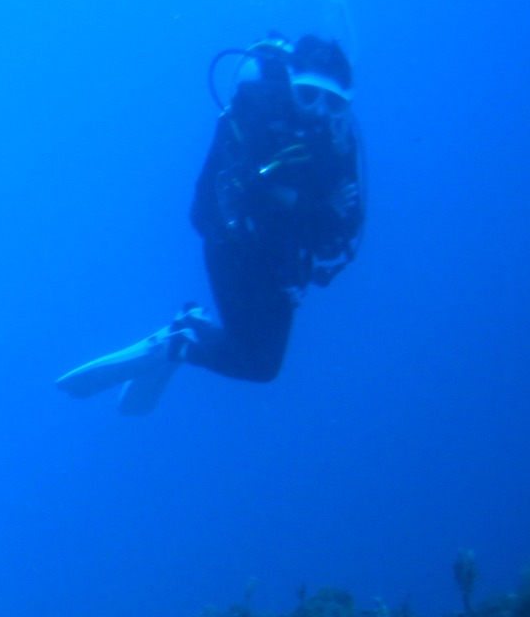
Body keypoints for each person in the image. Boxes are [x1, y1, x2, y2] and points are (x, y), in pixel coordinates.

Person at [58, 34, 364, 414]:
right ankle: (180, 342)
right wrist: (312, 205)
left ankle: (185, 333)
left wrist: (306, 207)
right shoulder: (256, 115)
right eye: (308, 94)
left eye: (333, 101)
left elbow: (339, 241)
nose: (319, 110)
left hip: (283, 264)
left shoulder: (340, 145)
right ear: (290, 85)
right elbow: (220, 200)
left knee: (262, 366)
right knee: (257, 363)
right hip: (233, 249)